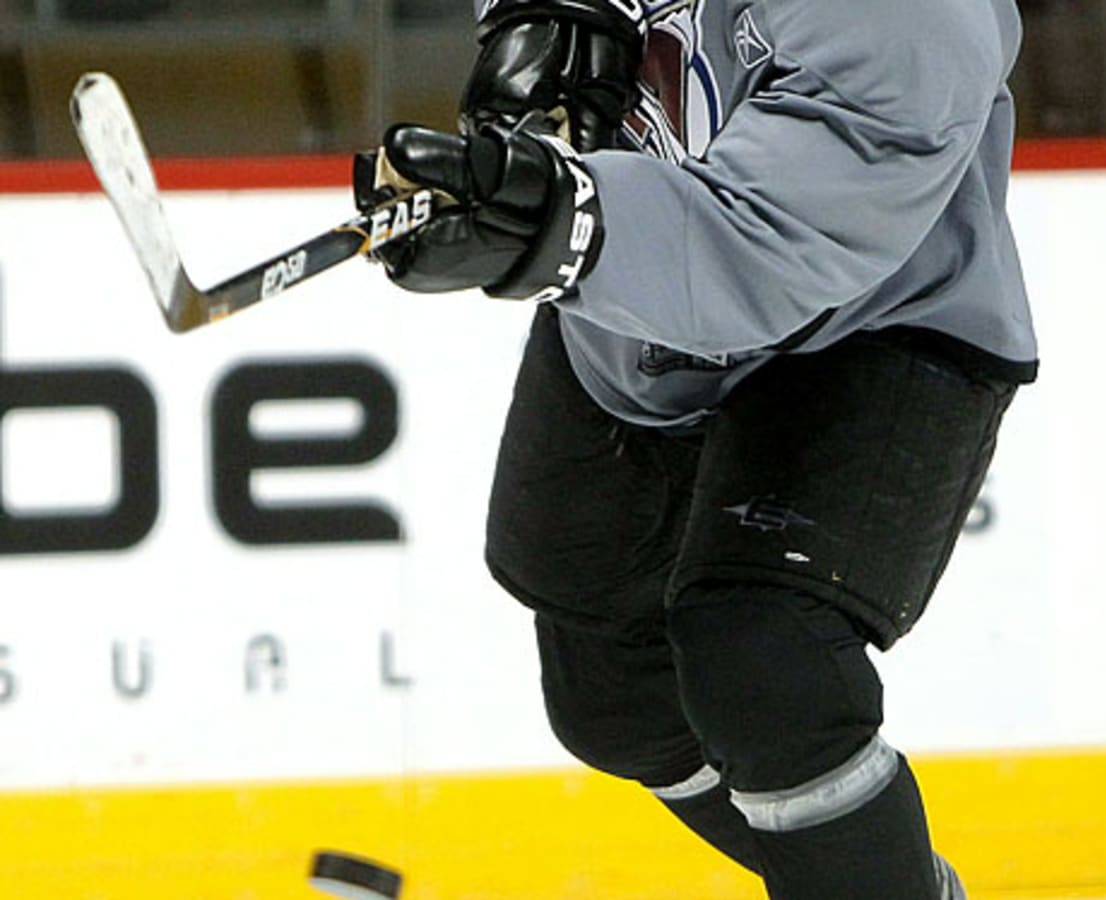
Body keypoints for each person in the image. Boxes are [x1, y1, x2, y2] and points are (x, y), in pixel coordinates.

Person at [357, 0, 1038, 896]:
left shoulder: (912, 18)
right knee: (609, 694)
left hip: (875, 313)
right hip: (647, 303)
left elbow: (765, 245)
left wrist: (558, 226)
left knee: (762, 657)